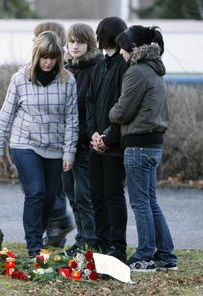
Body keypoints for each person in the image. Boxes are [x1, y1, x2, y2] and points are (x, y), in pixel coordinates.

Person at [0, 31, 79, 257]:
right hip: (25, 144)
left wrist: (69, 152)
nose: (48, 62)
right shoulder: (20, 78)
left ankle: (37, 236)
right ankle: (33, 247)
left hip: (55, 147)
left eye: (52, 58)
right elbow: (6, 113)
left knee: (50, 197)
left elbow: (72, 118)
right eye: (43, 57)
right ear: (36, 56)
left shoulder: (68, 81)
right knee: (36, 192)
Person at [109, 25, 178, 272]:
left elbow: (122, 111)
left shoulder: (136, 72)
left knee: (140, 203)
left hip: (138, 145)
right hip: (153, 143)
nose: (121, 53)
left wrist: (111, 112)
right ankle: (166, 256)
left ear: (133, 48)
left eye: (123, 48)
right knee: (150, 201)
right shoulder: (154, 68)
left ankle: (145, 254)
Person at [85, 16, 128, 262]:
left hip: (115, 145)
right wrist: (92, 132)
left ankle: (117, 246)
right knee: (96, 196)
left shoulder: (124, 66)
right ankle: (100, 242)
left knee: (113, 195)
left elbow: (125, 106)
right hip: (96, 143)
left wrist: (108, 137)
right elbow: (91, 102)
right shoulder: (100, 65)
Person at [63, 23, 104, 254]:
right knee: (71, 194)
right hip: (66, 142)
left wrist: (87, 135)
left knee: (84, 195)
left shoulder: (95, 68)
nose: (75, 46)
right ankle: (82, 238)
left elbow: (92, 108)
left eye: (79, 41)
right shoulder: (66, 67)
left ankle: (91, 240)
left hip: (85, 142)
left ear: (89, 43)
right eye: (71, 41)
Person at [33, 21, 75, 248]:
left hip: (55, 140)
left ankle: (59, 222)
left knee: (49, 190)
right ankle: (55, 231)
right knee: (49, 189)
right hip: (44, 139)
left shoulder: (63, 71)